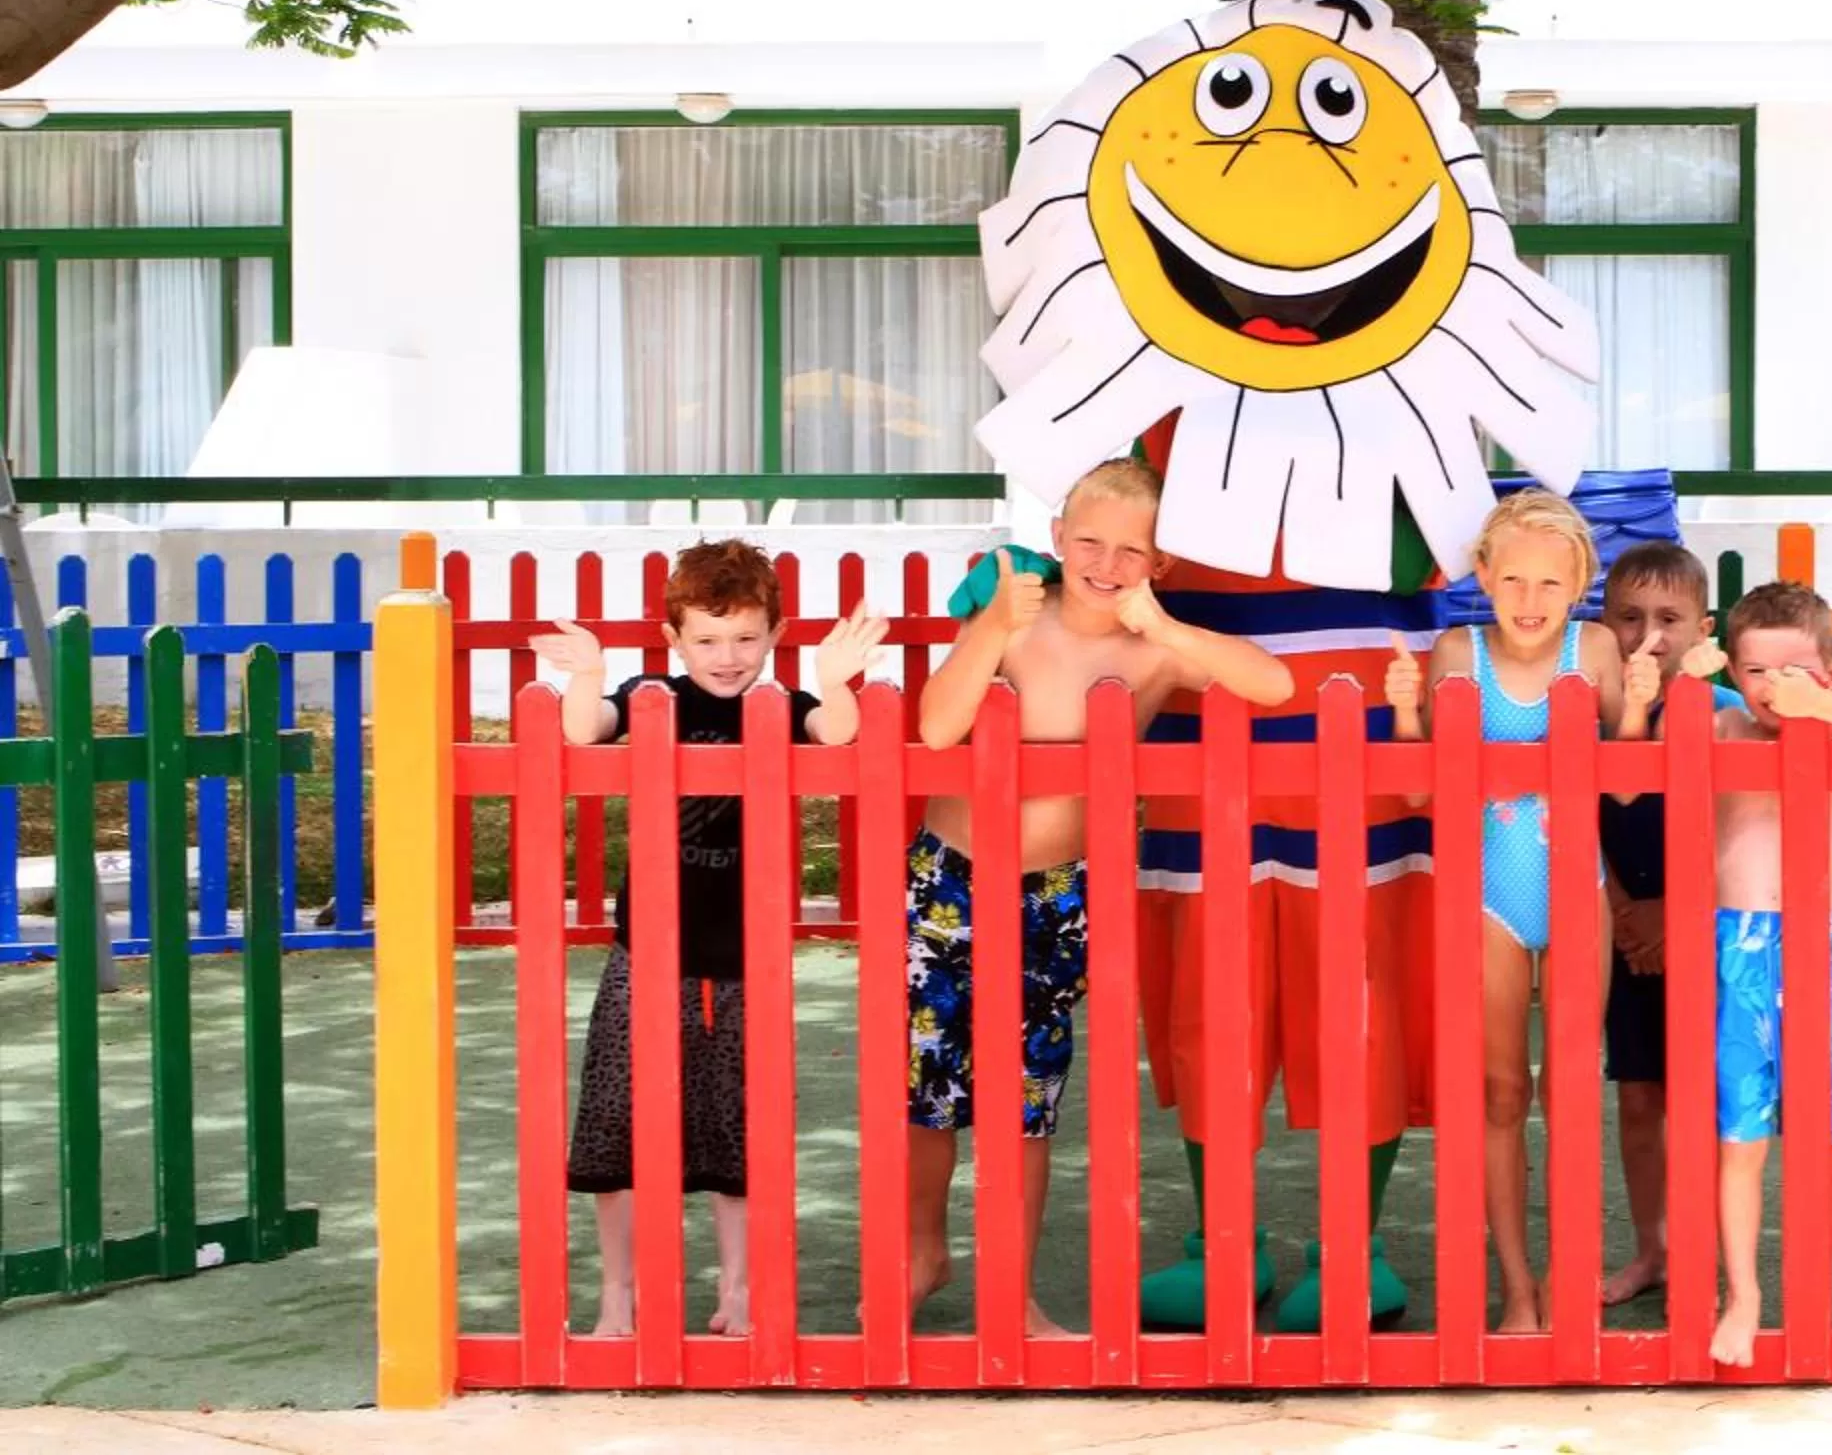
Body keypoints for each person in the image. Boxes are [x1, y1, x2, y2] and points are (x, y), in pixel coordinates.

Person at [906, 456, 1295, 1335]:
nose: (1106, 562)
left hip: (1056, 896)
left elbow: (1270, 685)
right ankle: (922, 1253)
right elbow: (936, 725)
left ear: (1160, 564)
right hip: (949, 880)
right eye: (1088, 539)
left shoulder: (1155, 649)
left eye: (1132, 550)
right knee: (921, 1090)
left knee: (1025, 1099)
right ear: (1056, 539)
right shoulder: (1013, 622)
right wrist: (990, 624)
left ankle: (1012, 1288)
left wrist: (1163, 623)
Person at [531, 539, 886, 1339]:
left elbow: (837, 736)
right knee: (612, 1134)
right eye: (708, 639)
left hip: (743, 959)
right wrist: (585, 675)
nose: (728, 658)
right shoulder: (651, 693)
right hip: (644, 955)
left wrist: (834, 683)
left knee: (739, 1133)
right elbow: (586, 733)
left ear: (775, 635)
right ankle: (618, 1293)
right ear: (674, 639)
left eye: (747, 638)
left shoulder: (784, 706)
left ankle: (741, 1290)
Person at [1385, 489, 1631, 1334]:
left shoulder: (1593, 650)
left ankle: (1569, 1281)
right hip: (1483, 896)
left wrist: (1636, 706)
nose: (1530, 601)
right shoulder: (1459, 652)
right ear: (1483, 576)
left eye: (1549, 585)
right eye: (1514, 579)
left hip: (1578, 893)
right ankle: (1517, 1289)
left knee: (1568, 1090)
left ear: (1579, 586)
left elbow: (1629, 781)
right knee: (1497, 1093)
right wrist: (1408, 713)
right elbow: (1421, 787)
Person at [1686, 580, 1832, 1366]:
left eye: (1793, 671)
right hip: (1736, 952)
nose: (1772, 689)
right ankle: (1743, 1297)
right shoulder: (1719, 722)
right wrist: (1695, 675)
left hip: (1821, 948)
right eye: (1755, 671)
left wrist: (1819, 707)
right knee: (1740, 1139)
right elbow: (1661, 728)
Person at [1591, 540, 1742, 1307]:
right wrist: (1622, 909)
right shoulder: (1592, 710)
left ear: (1702, 629)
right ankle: (1651, 1250)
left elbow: (1731, 832)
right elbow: (1588, 817)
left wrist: (1673, 913)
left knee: (1701, 1098)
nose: (1647, 633)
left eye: (1669, 618)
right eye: (1628, 616)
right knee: (1639, 1097)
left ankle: (1703, 1256)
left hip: (1703, 930)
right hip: (1622, 932)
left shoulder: (1724, 716)